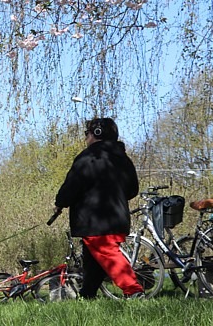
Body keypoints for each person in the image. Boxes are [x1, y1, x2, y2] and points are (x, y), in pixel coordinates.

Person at [53, 117, 145, 299]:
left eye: (87, 133)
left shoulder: (88, 158)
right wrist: (116, 197)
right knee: (93, 261)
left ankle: (134, 291)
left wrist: (60, 203)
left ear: (96, 134)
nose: (86, 138)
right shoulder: (123, 159)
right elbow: (132, 189)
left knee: (108, 255)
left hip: (94, 220)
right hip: (118, 218)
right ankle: (87, 295)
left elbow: (72, 185)